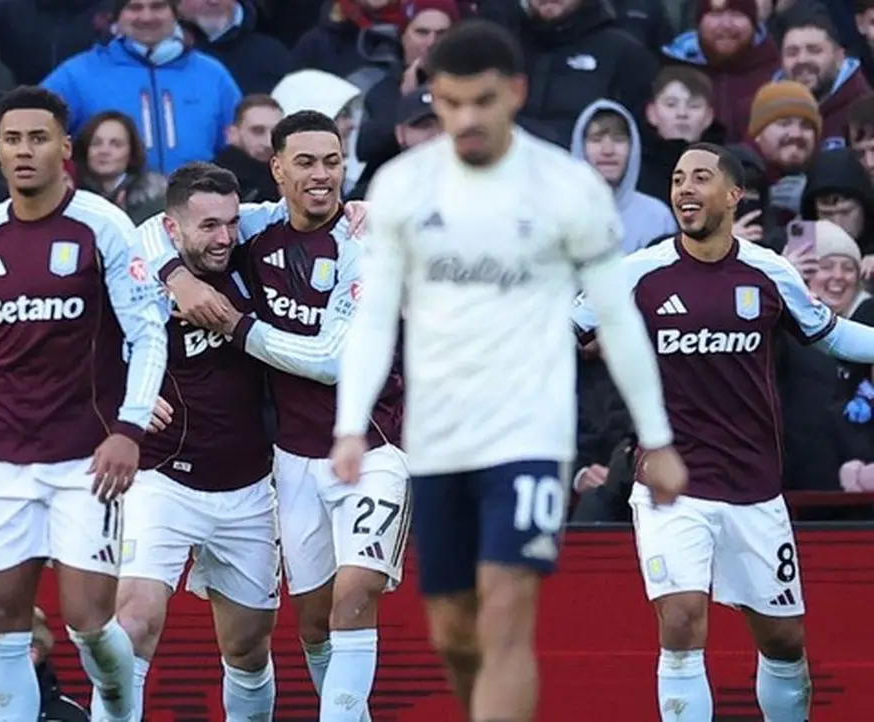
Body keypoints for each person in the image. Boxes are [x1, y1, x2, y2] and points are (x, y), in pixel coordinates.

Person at [330, 20, 685, 722]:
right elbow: (374, 318)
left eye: (481, 101)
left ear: (516, 94)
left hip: (530, 430)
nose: (464, 119)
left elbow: (617, 317)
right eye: (449, 102)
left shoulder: (565, 187)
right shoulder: (403, 187)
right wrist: (349, 427)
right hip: (436, 436)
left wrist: (659, 437)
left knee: (506, 611)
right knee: (454, 632)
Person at [571, 140, 874, 721]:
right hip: (670, 486)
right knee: (681, 619)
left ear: (734, 195)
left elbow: (831, 334)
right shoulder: (637, 271)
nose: (685, 188)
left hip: (754, 488)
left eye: (701, 177)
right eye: (679, 178)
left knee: (784, 642)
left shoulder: (770, 272)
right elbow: (567, 327)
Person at [149, 111, 404, 722]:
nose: (322, 176)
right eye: (308, 162)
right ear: (278, 169)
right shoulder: (256, 229)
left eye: (334, 161)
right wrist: (174, 275)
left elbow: (333, 361)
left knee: (355, 593)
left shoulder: (367, 245)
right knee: (314, 625)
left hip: (373, 450)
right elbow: (150, 232)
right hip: (291, 461)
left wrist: (237, 326)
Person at [0, 85, 169, 722]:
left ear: (66, 148)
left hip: (84, 458)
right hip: (0, 457)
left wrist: (129, 430)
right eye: (13, 139)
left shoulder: (103, 227)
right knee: (1, 621)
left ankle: (116, 704)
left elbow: (147, 334)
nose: (25, 150)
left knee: (89, 623)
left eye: (38, 138)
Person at [90, 162, 279, 721]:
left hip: (249, 484)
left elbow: (308, 216)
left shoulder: (253, 260)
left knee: (247, 650)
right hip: (161, 480)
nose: (224, 238)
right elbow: (84, 352)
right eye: (208, 227)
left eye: (230, 223)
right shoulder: (137, 275)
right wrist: (128, 401)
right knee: (135, 622)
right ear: (173, 229)